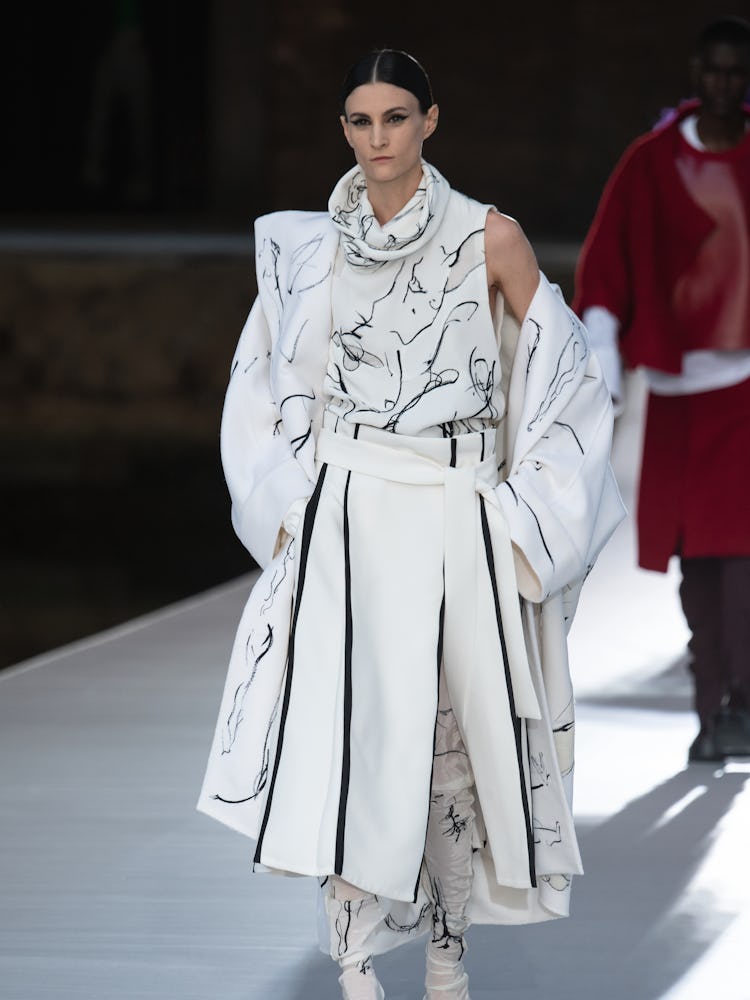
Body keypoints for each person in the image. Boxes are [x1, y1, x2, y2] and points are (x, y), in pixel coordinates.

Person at [198, 48, 624, 999]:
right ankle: (354, 966)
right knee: (346, 742)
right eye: (360, 121)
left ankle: (447, 954)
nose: (378, 137)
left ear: (431, 120)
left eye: (396, 117)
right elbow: (260, 387)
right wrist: (283, 507)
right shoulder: (308, 250)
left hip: (452, 516)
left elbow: (568, 373)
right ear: (345, 130)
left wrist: (525, 517)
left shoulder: (488, 238)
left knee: (449, 751)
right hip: (346, 517)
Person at [573, 15, 750, 766]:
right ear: (695, 71)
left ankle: (740, 701)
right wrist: (604, 344)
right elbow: (605, 256)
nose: (723, 84)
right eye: (712, 70)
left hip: (745, 387)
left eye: (736, 72)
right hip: (677, 391)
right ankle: (711, 707)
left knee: (739, 555)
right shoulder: (651, 162)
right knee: (694, 560)